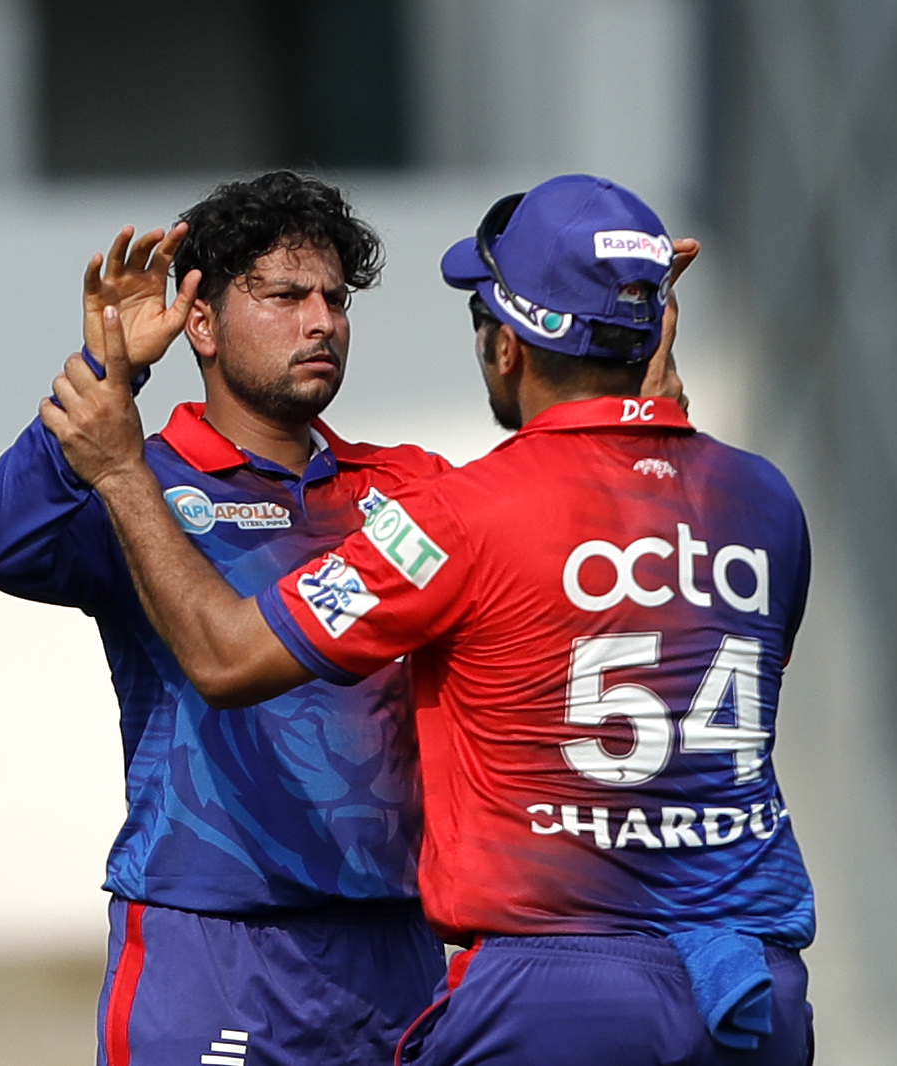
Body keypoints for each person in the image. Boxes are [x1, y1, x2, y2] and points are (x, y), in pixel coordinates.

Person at [44, 174, 815, 1066]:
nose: (321, 319)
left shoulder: (455, 515)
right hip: (749, 993)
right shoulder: (761, 504)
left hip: (554, 995)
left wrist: (121, 472)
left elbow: (228, 657)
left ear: (506, 349)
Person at [0, 171, 450, 1066]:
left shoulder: (406, 488)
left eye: (335, 300)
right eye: (285, 295)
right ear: (203, 325)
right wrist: (114, 372)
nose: (321, 322)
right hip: (212, 941)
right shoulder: (139, 480)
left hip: (397, 944)